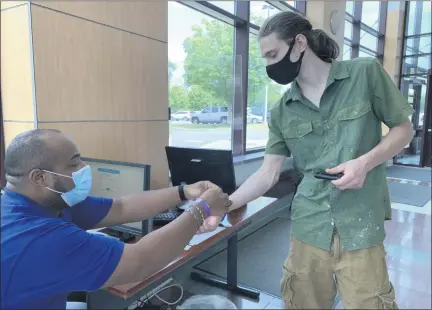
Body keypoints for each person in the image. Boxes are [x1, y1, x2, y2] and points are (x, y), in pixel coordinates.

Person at [200, 11, 414, 309]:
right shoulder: (282, 111)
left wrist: (363, 163)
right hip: (308, 226)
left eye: (273, 54)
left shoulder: (365, 74)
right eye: (265, 58)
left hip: (360, 224)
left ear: (300, 43)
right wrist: (226, 205)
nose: (269, 65)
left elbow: (404, 129)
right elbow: (268, 172)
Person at [0, 129, 231, 309]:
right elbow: (141, 261)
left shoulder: (37, 202)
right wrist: (203, 209)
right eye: (74, 163)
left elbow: (121, 208)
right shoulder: (37, 237)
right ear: (39, 177)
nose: (84, 167)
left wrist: (184, 192)